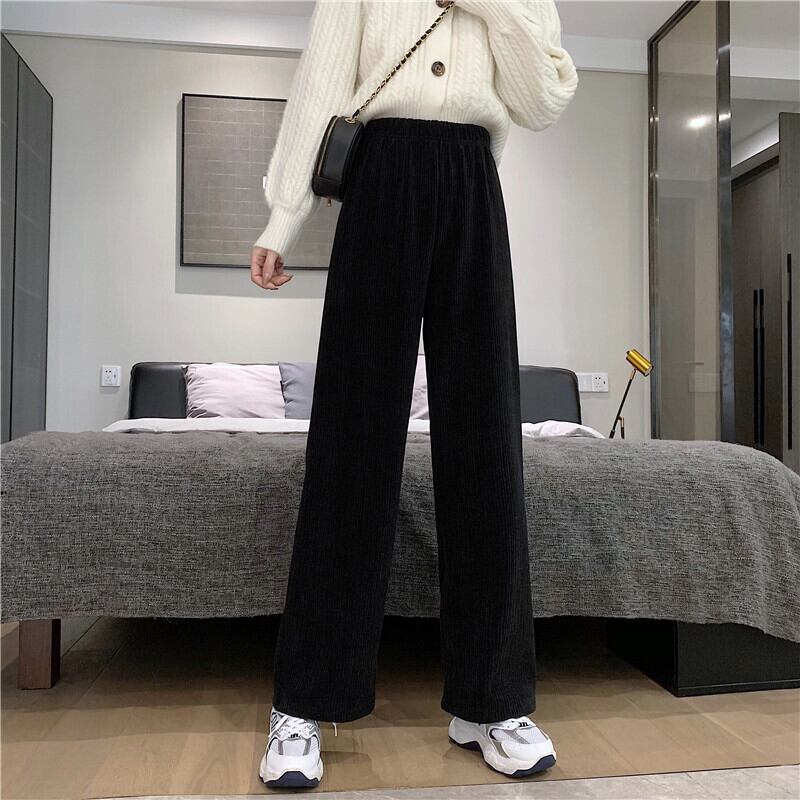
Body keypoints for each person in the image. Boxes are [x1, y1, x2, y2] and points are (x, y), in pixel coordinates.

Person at [249, 0, 578, 788]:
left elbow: (542, 99)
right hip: (381, 174)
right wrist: (283, 217)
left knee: (486, 442)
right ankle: (305, 700)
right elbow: (322, 81)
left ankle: (492, 702)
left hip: (473, 179)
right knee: (351, 439)